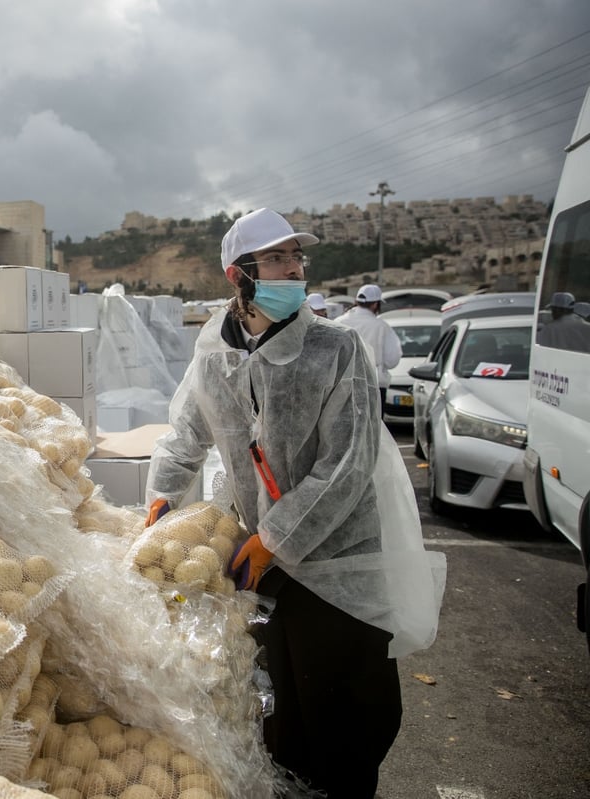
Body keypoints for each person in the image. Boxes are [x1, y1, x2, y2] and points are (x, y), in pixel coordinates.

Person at [144, 208, 441, 798]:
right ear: (239, 275)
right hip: (263, 574)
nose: (294, 269)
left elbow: (347, 466)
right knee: (277, 719)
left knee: (348, 722)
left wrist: (273, 539)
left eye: (297, 258)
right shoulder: (216, 355)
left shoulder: (336, 350)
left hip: (335, 569)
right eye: (278, 258)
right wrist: (160, 502)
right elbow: (184, 435)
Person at [336, 283, 402, 415]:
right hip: (373, 385)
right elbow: (392, 360)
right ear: (375, 304)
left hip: (341, 386)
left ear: (357, 301)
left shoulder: (338, 323)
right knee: (371, 430)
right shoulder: (381, 326)